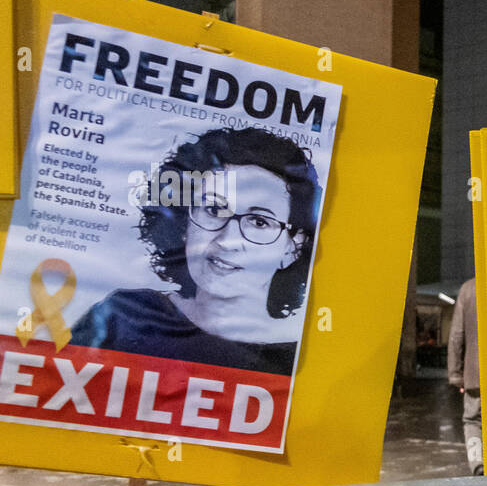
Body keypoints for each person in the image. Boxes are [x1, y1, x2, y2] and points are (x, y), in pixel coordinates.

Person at [71, 127, 319, 376]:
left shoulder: (299, 362)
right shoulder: (126, 315)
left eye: (260, 222)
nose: (227, 240)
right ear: (183, 223)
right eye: (213, 210)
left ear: (293, 248)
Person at [448, 277, 483, 475]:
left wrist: (456, 374)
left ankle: (479, 466)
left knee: (473, 421)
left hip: (475, 374)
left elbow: (456, 335)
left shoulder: (468, 288)